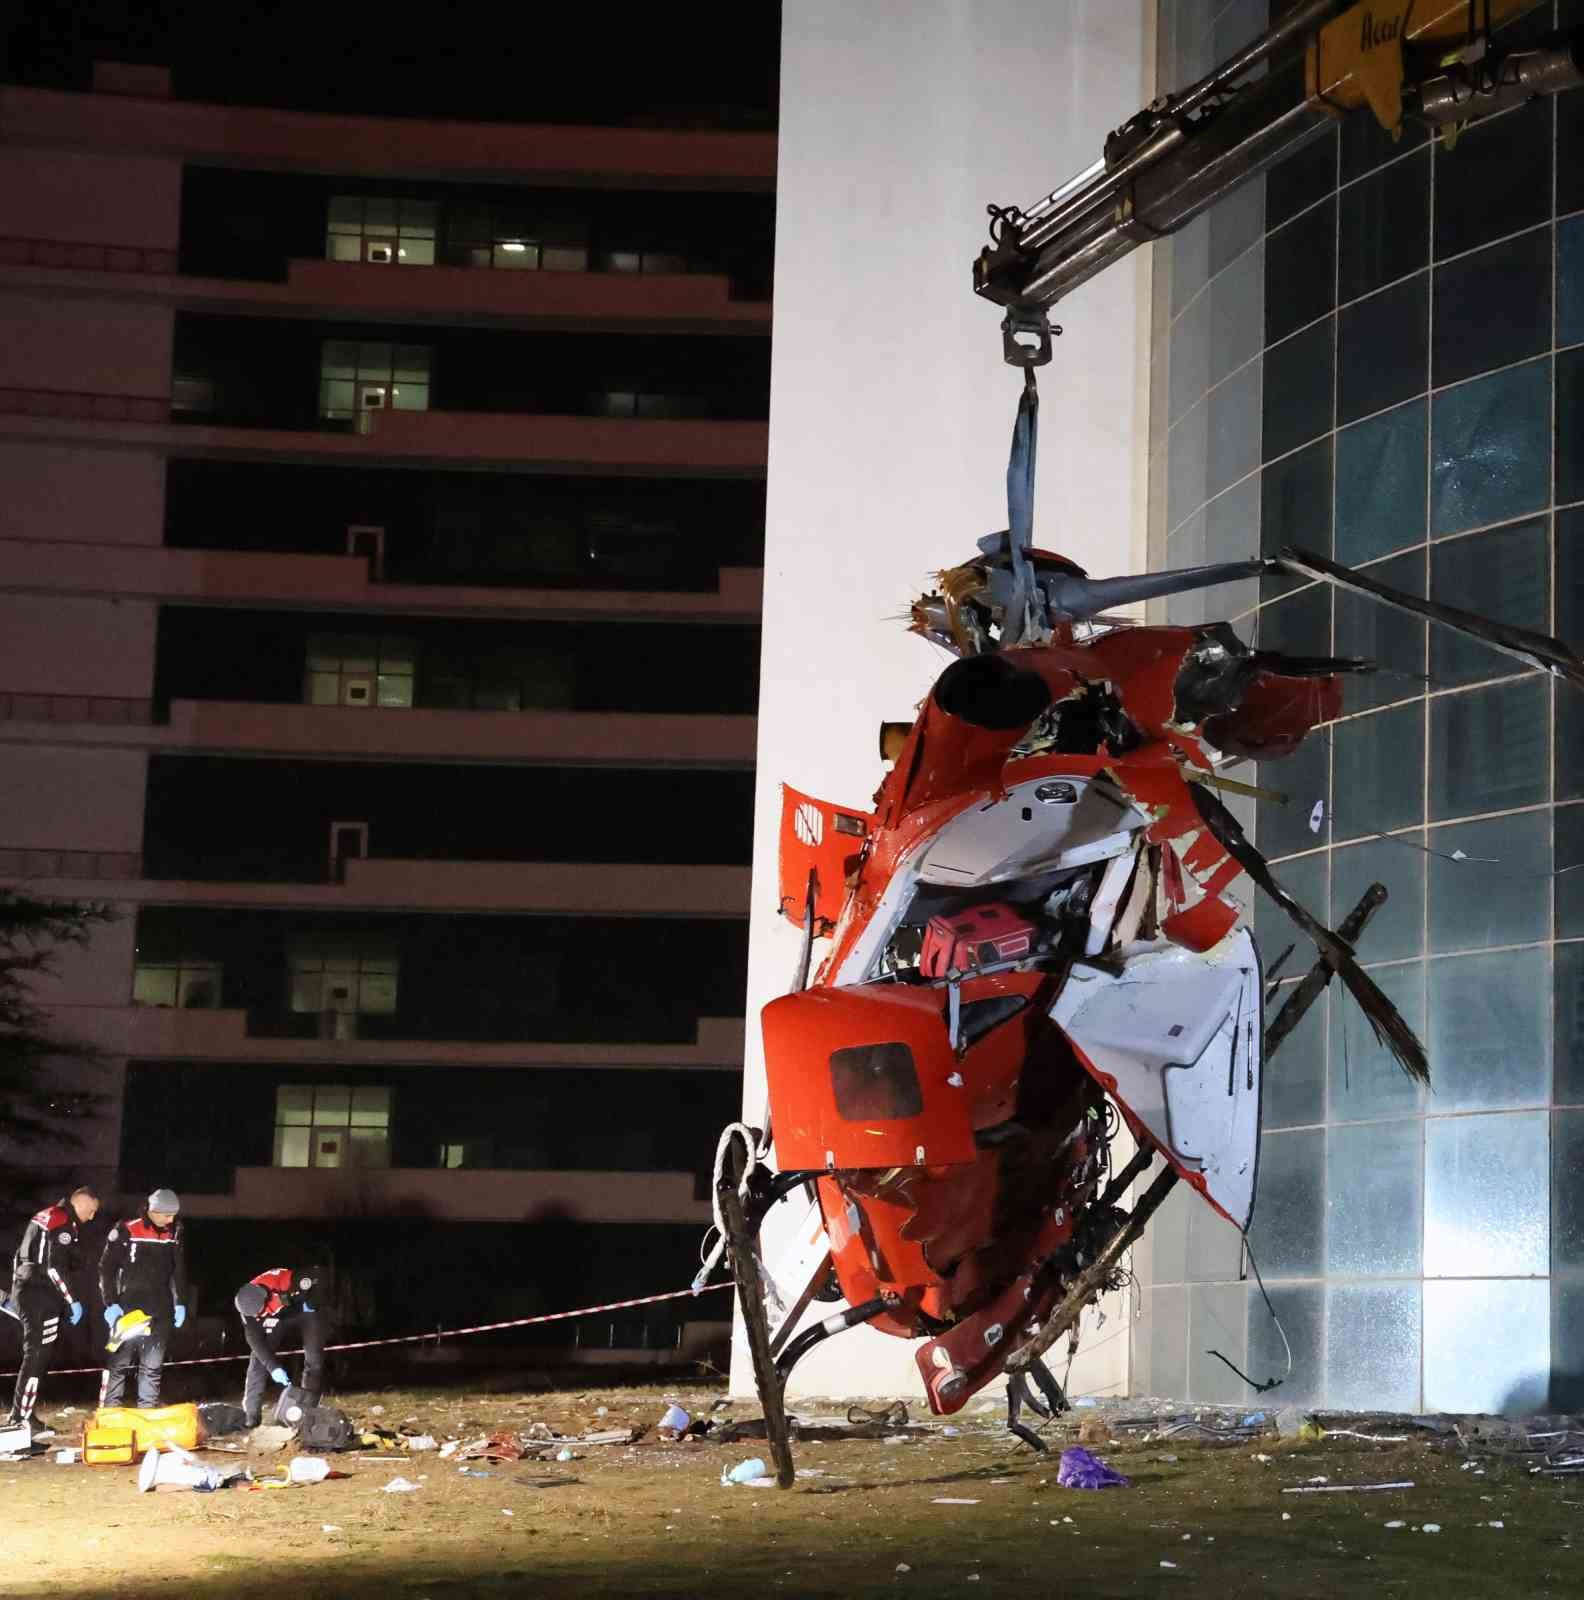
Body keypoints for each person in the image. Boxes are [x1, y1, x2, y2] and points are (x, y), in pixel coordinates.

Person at [2, 1185, 99, 1435]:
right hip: (40, 1294)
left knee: (36, 1355)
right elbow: (55, 1267)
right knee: (37, 1357)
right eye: (92, 1211)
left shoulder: (46, 1215)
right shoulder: (63, 1221)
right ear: (82, 1204)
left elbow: (20, 1256)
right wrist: (72, 1301)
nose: (92, 1217)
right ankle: (21, 1419)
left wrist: (15, 1289)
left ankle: (23, 1415)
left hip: (26, 1287)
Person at [98, 1187, 188, 1409]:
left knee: (152, 1366)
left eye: (174, 1215)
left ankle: (146, 1412)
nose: (171, 1219)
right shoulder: (126, 1229)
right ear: (153, 1211)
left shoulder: (174, 1231)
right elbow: (106, 1268)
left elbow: (179, 1270)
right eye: (167, 1215)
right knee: (119, 1363)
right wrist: (111, 1304)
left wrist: (181, 1302)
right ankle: (110, 1412)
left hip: (161, 1309)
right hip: (129, 1309)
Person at [235, 1265, 326, 1427]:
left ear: (267, 1296)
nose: (258, 1316)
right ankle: (251, 1416)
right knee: (259, 1360)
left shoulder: (286, 1280)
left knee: (314, 1358)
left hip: (303, 1312)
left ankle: (306, 1409)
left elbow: (318, 1275)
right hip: (277, 1319)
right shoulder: (247, 1308)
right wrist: (273, 1367)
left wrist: (312, 1301)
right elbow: (254, 1339)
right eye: (255, 1315)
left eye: (260, 1311)